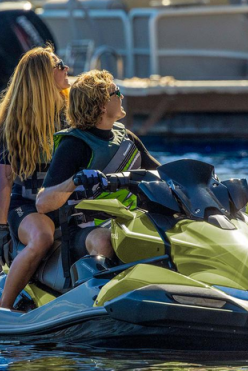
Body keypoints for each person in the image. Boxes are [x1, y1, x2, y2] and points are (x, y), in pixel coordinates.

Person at [34, 70, 160, 270]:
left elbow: (162, 173)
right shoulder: (73, 145)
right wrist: (75, 180)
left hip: (128, 220)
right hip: (84, 230)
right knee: (104, 240)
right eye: (117, 93)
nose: (122, 97)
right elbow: (42, 204)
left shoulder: (127, 138)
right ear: (102, 104)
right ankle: (100, 287)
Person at [0, 47, 70, 309]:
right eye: (60, 65)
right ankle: (4, 308)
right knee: (42, 237)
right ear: (43, 76)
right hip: (27, 207)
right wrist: (1, 228)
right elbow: (5, 181)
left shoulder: (70, 115)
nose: (66, 69)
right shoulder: (15, 123)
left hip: (65, 206)